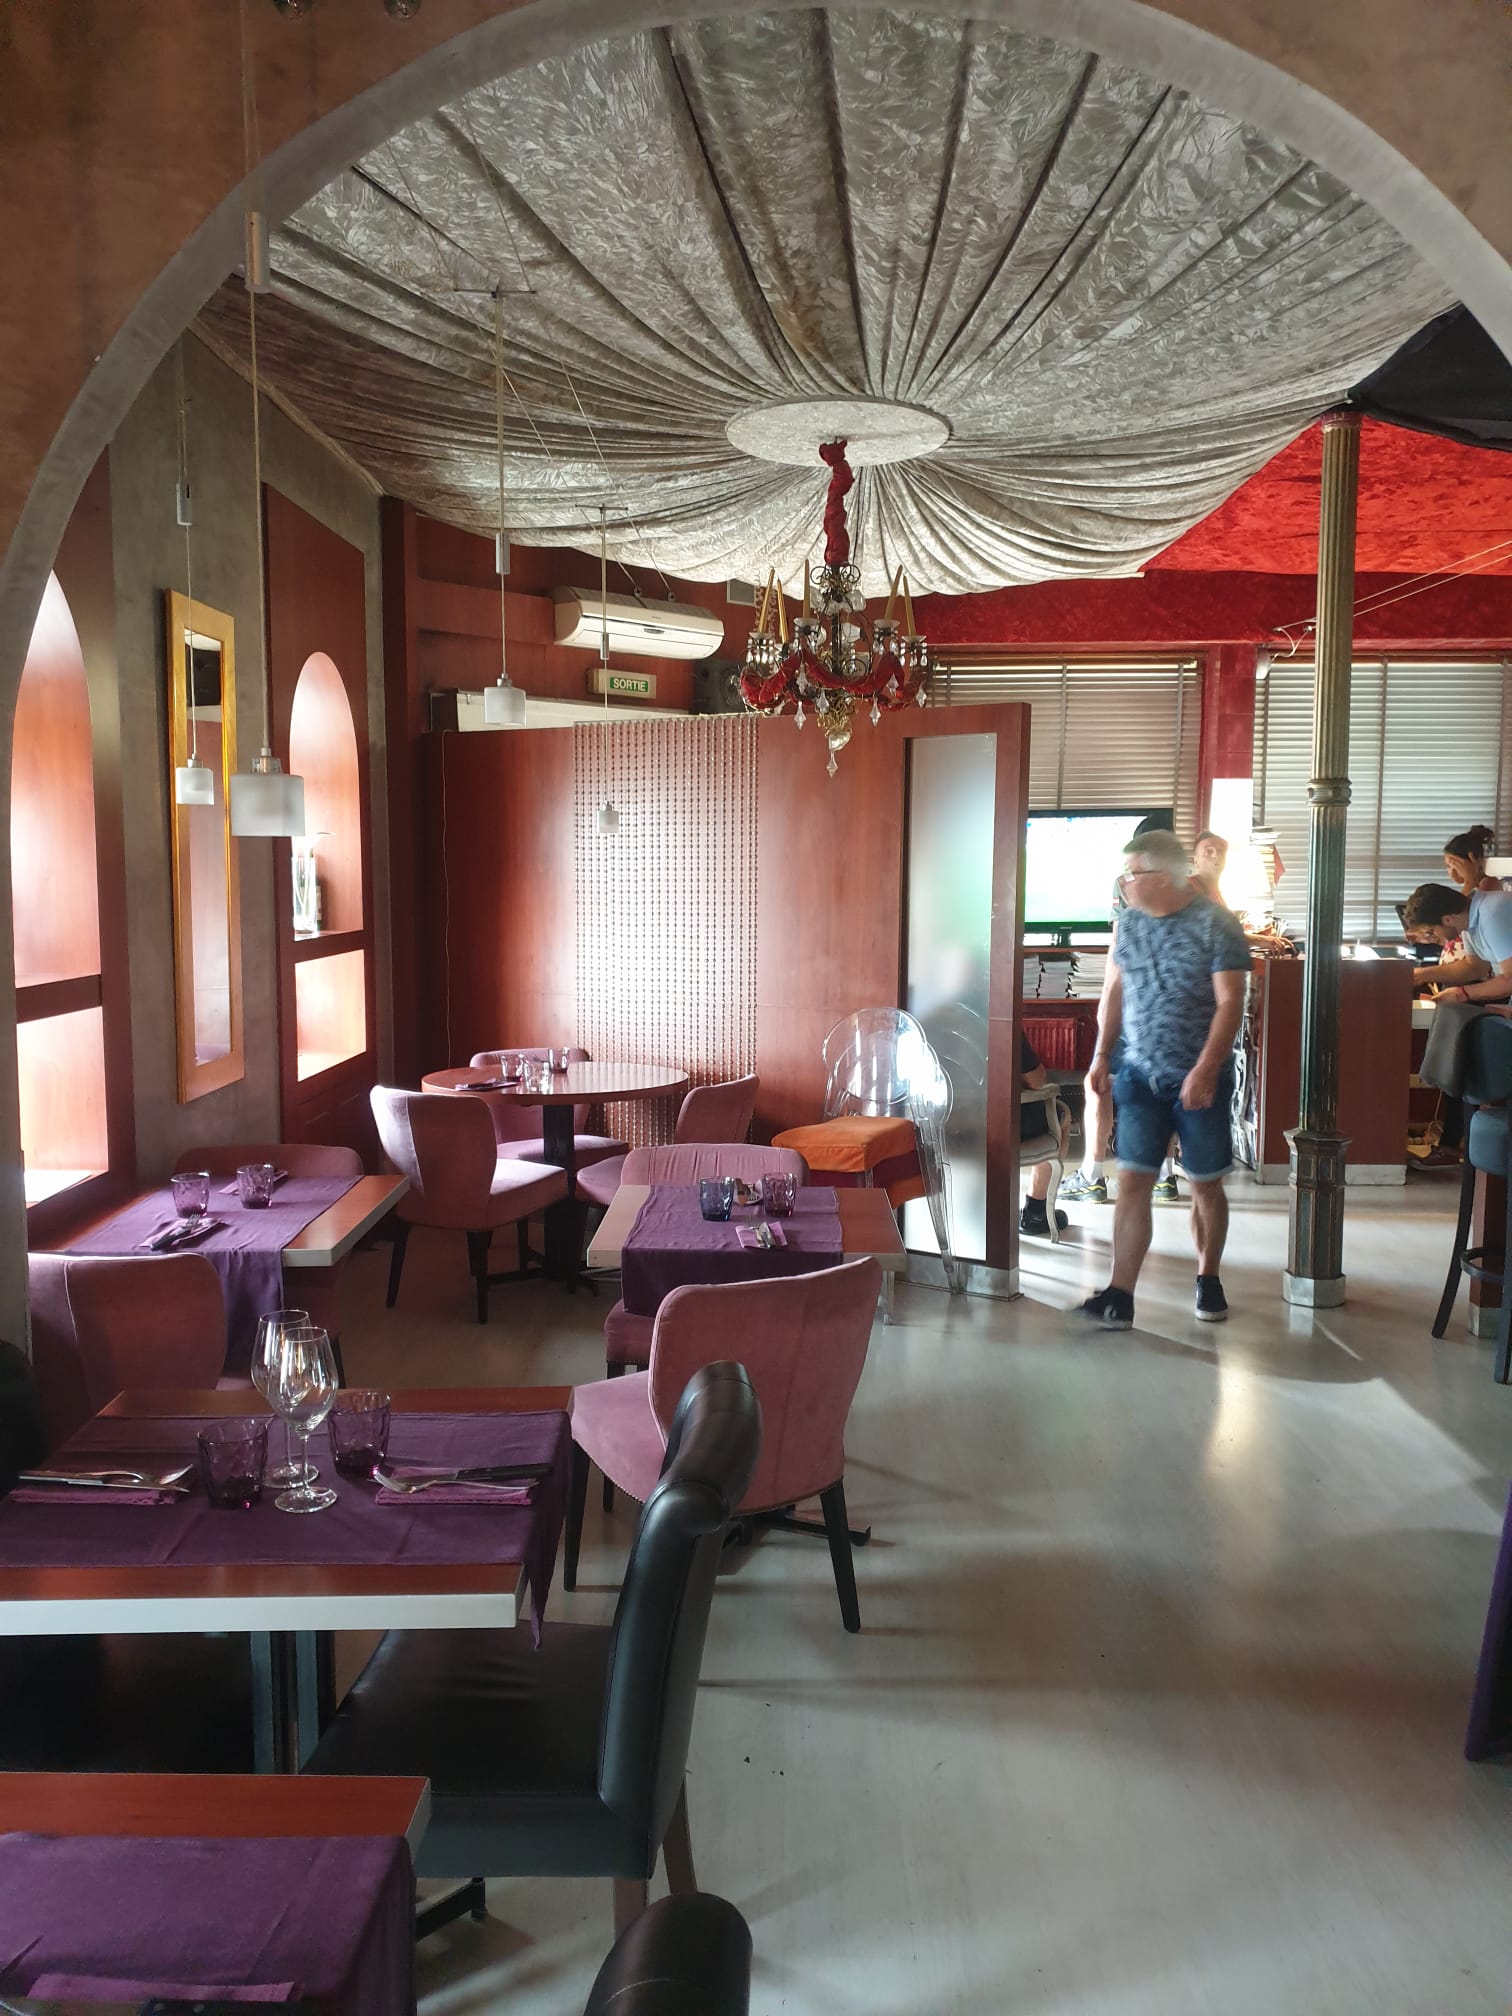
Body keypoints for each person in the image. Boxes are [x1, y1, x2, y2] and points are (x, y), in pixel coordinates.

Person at [1079, 829, 1251, 1329]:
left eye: (1133, 874)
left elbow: (1230, 1003)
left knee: (1204, 1185)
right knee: (1133, 1181)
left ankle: (1208, 1277)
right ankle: (1120, 1293)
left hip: (1200, 1081)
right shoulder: (1129, 924)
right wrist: (1101, 1056)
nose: (1125, 883)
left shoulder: (1216, 924)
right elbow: (1114, 992)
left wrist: (1206, 1068)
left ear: (1166, 875)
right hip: (1139, 1077)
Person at [1064, 813, 1178, 1207]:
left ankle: (1092, 1176)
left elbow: (1119, 951)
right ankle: (1165, 1176)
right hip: (1173, 1007)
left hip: (1134, 1003)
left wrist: (1105, 1003)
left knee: (1099, 1083)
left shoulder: (1127, 883)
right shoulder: (1189, 886)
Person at [1403, 879, 1512, 1004]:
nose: (1433, 938)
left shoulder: (1492, 916)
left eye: (1431, 932)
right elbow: (1474, 967)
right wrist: (1421, 975)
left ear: (1447, 920)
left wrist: (1463, 993)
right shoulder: (1468, 921)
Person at [1019, 1030, 1071, 1238]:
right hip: (1001, 1124)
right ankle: (1036, 1211)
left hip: (952, 1125)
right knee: (1061, 1114)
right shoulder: (1002, 1022)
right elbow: (1036, 1080)